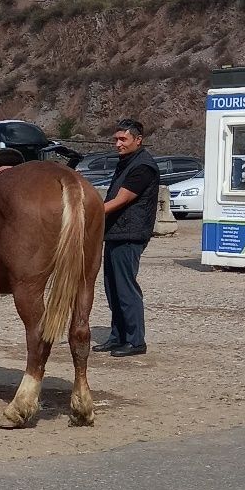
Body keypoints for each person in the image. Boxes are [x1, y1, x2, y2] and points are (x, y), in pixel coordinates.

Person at [95, 118, 160, 356]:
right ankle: (118, 336)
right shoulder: (126, 162)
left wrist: (89, 213)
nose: (118, 144)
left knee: (125, 288)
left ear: (138, 140)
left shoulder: (143, 166)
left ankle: (135, 341)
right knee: (112, 288)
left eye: (123, 139)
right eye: (116, 139)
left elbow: (122, 199)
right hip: (115, 233)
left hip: (130, 234)